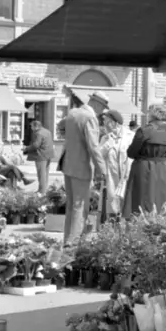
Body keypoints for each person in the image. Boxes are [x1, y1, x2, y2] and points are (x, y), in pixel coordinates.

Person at [59, 92, 106, 245]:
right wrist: (102, 169)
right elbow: (93, 146)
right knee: (80, 206)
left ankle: (68, 238)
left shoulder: (73, 113)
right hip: (81, 166)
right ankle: (73, 242)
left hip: (68, 164)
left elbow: (61, 128)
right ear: (97, 104)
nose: (102, 111)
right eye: (103, 107)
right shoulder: (90, 118)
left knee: (71, 205)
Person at [122, 104, 166, 215]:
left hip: (144, 166)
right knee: (162, 198)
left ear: (153, 114)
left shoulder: (145, 130)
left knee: (142, 198)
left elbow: (131, 152)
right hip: (163, 168)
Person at [99, 110, 131, 221]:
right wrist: (108, 143)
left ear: (115, 122)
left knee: (125, 200)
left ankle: (125, 227)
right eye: (104, 122)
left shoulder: (130, 136)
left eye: (107, 121)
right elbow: (99, 155)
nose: (105, 124)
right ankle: (112, 228)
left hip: (126, 175)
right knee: (112, 200)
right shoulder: (105, 138)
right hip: (111, 175)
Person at [24, 120, 56, 195]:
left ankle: (42, 191)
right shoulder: (47, 131)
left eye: (32, 126)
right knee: (45, 174)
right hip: (48, 155)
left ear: (36, 126)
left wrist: (26, 148)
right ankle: (43, 189)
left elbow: (36, 145)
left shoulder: (38, 133)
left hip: (40, 155)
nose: (31, 128)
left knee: (41, 174)